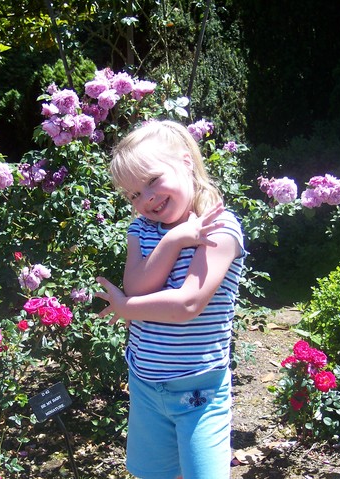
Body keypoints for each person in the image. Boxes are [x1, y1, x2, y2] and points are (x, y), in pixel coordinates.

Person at [95, 120, 246, 479]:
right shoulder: (142, 230)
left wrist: (126, 309)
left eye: (151, 181)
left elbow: (187, 305)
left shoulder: (220, 228)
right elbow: (136, 285)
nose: (145, 198)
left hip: (200, 392)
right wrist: (175, 239)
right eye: (132, 195)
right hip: (146, 385)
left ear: (186, 162)